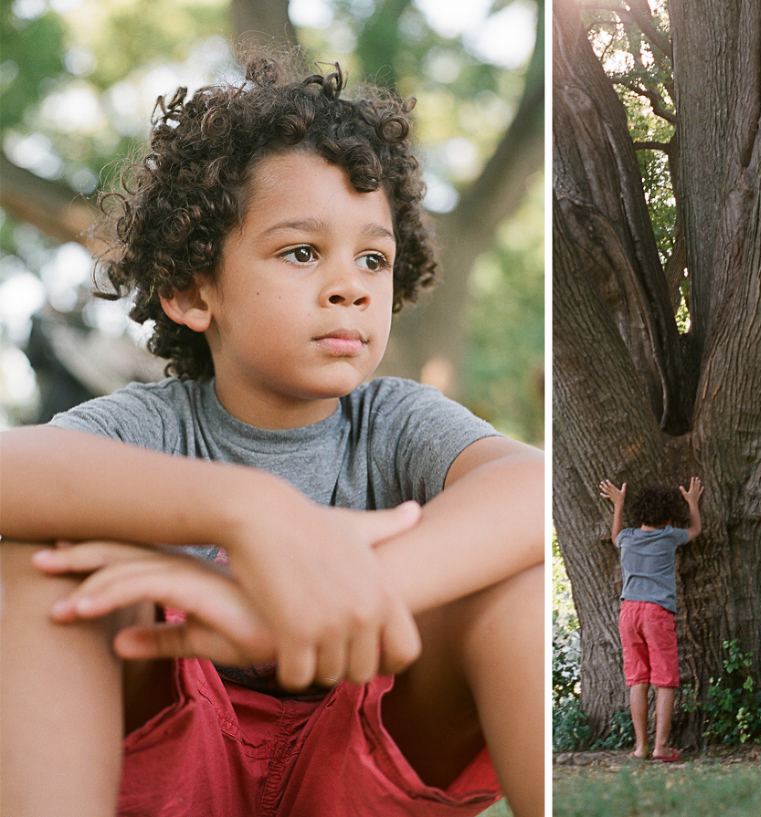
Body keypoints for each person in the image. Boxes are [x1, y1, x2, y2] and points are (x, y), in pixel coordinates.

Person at [0, 52, 544, 817]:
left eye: (373, 257)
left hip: (359, 764)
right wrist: (249, 510)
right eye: (301, 251)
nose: (350, 284)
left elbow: (532, 489)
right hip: (175, 763)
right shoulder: (151, 425)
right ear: (192, 289)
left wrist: (315, 599)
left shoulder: (396, 421)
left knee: (509, 581)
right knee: (43, 561)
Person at [598, 477, 702, 763]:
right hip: (657, 613)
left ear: (641, 513)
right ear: (669, 518)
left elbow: (614, 537)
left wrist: (618, 505)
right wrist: (693, 502)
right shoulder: (669, 537)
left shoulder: (628, 537)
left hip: (628, 613)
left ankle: (640, 746)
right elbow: (695, 529)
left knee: (638, 680)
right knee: (665, 680)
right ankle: (662, 747)